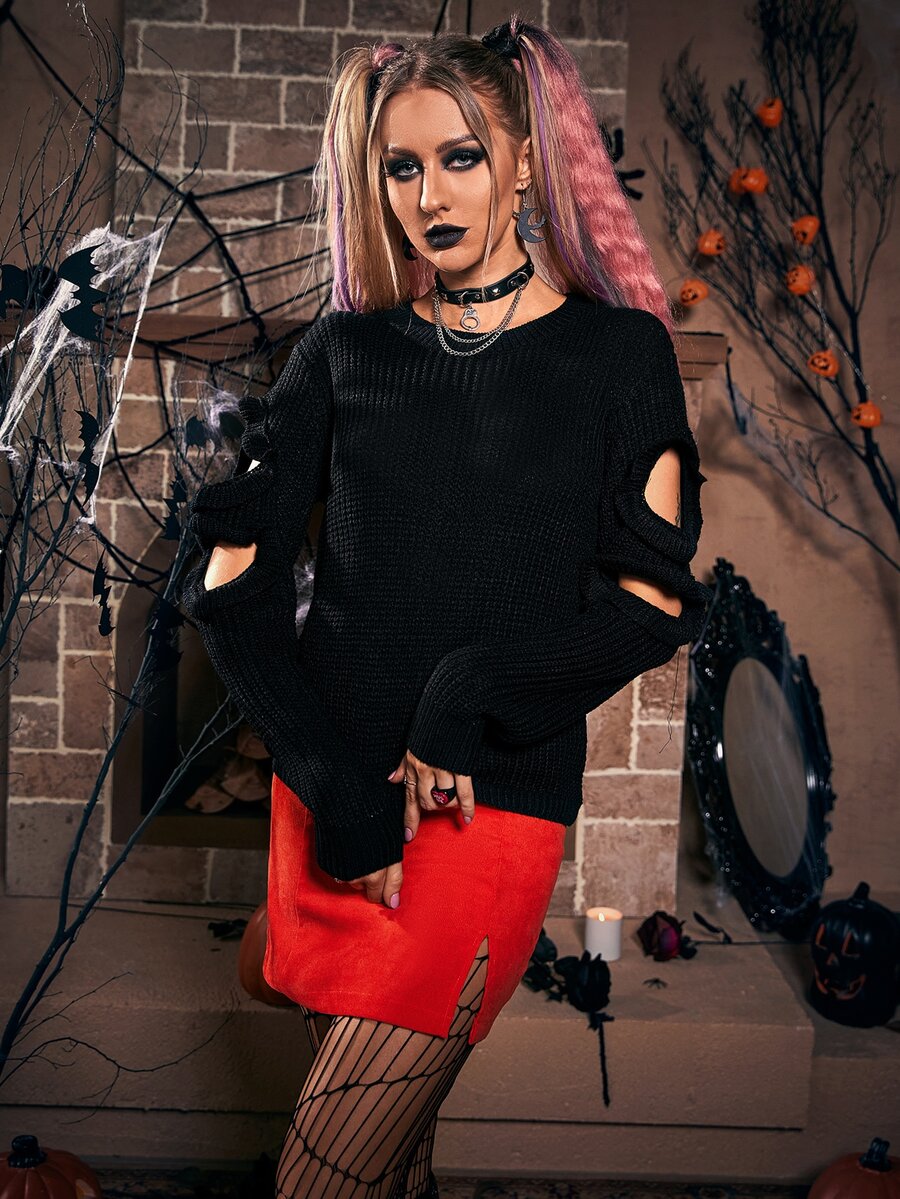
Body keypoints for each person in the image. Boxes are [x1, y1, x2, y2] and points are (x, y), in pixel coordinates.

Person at [180, 14, 713, 1199]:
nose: (429, 195)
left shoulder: (619, 356)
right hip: (334, 803)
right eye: (401, 166)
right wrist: (330, 782)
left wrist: (466, 697)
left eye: (460, 157)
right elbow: (229, 586)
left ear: (523, 159)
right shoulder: (344, 351)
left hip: (487, 806)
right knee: (388, 1165)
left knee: (322, 1179)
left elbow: (649, 602)